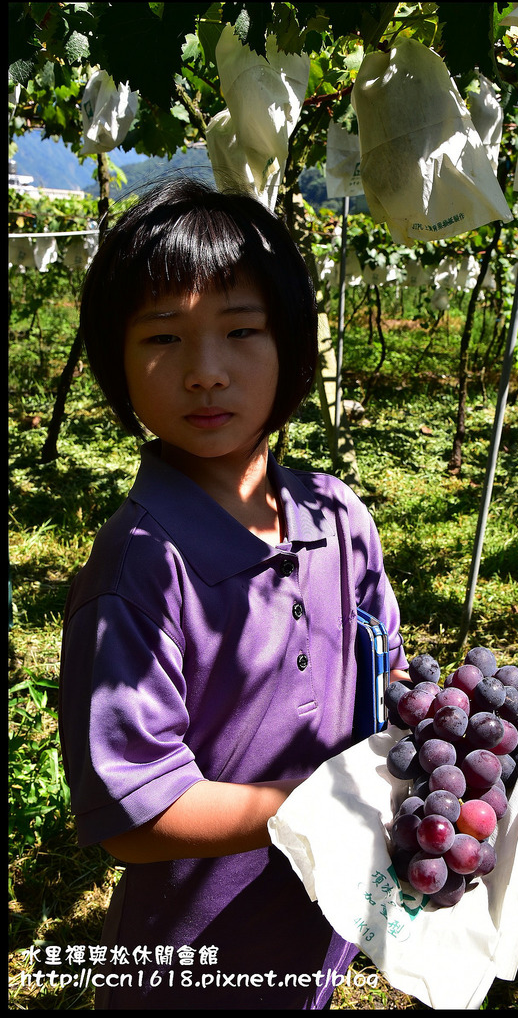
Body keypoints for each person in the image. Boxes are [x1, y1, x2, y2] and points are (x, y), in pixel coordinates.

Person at [58, 177, 408, 1009]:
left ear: (290, 344)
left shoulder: (337, 516)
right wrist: (318, 808)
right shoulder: (140, 568)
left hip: (312, 933)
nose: (205, 373)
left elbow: (387, 674)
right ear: (117, 364)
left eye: (241, 331)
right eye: (163, 338)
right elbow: (138, 816)